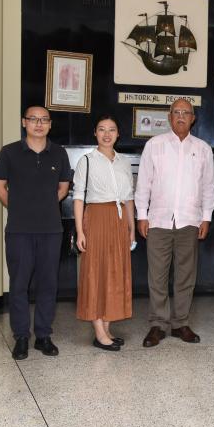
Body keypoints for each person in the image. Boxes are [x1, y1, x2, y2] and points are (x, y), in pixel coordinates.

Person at [0, 106, 72, 360]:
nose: (39, 124)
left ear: (50, 124)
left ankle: (43, 336)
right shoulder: (9, 152)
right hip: (19, 230)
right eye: (33, 119)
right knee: (19, 285)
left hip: (51, 229)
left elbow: (63, 188)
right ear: (24, 122)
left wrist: (44, 207)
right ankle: (21, 337)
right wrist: (18, 207)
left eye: (44, 120)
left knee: (49, 284)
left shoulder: (59, 153)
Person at [135, 98, 214, 347]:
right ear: (169, 117)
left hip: (189, 220)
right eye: (176, 112)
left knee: (185, 275)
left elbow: (208, 186)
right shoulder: (154, 145)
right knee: (157, 275)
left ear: (193, 118)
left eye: (186, 112)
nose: (181, 116)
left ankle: (180, 323)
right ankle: (158, 324)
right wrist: (141, 215)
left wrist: (206, 217)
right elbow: (144, 183)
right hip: (158, 219)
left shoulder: (203, 149)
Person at [73, 114, 135, 352]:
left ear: (118, 134)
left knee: (116, 272)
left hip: (119, 221)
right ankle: (98, 332)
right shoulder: (86, 161)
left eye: (112, 129)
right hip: (97, 218)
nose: (107, 134)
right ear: (95, 133)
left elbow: (128, 198)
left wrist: (131, 229)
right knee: (96, 272)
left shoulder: (123, 162)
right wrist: (80, 231)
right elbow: (78, 197)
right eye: (102, 129)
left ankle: (107, 328)